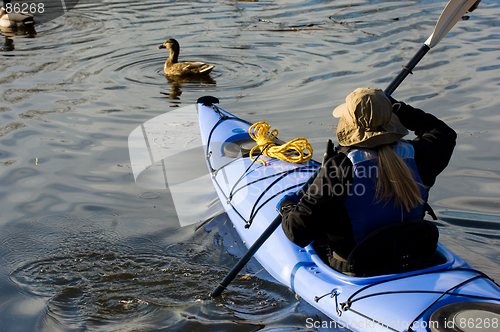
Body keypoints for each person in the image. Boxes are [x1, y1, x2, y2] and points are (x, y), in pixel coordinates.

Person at [279, 88, 457, 273]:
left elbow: (296, 232)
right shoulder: (420, 155)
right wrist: (399, 107)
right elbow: (443, 132)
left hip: (360, 269)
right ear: (392, 119)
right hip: (417, 257)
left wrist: (287, 206)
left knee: (321, 230)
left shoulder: (339, 167)